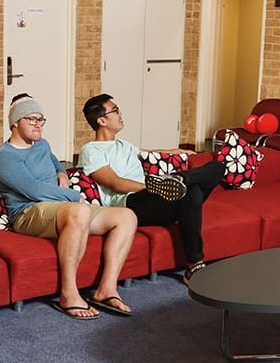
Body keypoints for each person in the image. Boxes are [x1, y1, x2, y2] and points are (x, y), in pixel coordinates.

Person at [0, 93, 138, 320]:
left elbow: (54, 160)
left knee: (126, 217)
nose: (38, 124)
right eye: (31, 119)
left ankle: (106, 289)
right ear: (15, 123)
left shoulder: (42, 144)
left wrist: (60, 172)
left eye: (41, 119)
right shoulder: (4, 156)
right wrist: (72, 195)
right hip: (28, 212)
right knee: (79, 210)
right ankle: (69, 293)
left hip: (58, 208)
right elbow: (34, 190)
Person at [80, 93, 226, 284]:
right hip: (130, 204)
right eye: (115, 110)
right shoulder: (91, 150)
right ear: (101, 120)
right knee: (192, 192)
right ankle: (195, 264)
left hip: (157, 200)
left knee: (217, 168)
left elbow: (150, 153)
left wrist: (178, 152)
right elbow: (115, 182)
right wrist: (154, 188)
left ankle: (180, 179)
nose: (120, 114)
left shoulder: (125, 145)